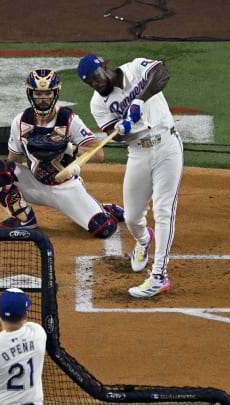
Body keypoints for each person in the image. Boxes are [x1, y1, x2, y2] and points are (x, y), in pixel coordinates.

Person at [77, 54, 184, 298]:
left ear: (104, 67)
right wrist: (123, 129)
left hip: (167, 144)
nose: (95, 84)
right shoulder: (97, 104)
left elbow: (162, 73)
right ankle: (144, 240)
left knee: (163, 210)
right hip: (138, 153)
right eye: (89, 83)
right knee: (133, 216)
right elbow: (116, 134)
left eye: (96, 77)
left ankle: (159, 276)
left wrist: (138, 101)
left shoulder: (135, 68)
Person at [0, 68, 125, 239]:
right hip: (35, 184)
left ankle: (105, 209)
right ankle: (24, 219)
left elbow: (98, 154)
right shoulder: (20, 121)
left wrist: (69, 148)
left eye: (48, 93)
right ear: (31, 94)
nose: (43, 99)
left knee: (104, 230)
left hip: (66, 188)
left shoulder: (68, 119)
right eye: (38, 93)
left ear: (55, 93)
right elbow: (13, 160)